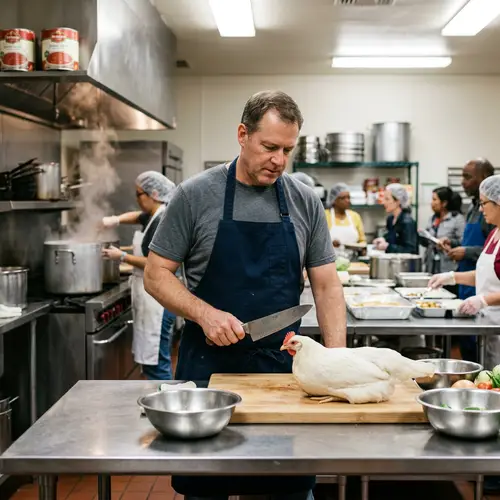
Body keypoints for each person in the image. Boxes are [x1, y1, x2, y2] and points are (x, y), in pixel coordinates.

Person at [144, 90, 346, 500]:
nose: (279, 160)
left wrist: (336, 363)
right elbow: (156, 275)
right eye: (269, 146)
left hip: (283, 373)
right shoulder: (194, 195)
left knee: (285, 488)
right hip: (209, 370)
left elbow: (326, 286)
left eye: (288, 150)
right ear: (242, 134)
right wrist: (204, 314)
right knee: (206, 488)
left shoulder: (305, 201)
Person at [101, 171, 177, 380]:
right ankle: (154, 403)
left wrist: (122, 256)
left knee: (157, 362)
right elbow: (137, 215)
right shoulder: (154, 214)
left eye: (138, 194)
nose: (137, 199)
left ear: (153, 193)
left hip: (159, 303)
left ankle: (163, 406)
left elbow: (156, 263)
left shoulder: (162, 220)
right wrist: (113, 220)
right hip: (151, 298)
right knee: (150, 361)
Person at [429, 174, 500, 369]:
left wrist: (484, 300)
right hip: (489, 325)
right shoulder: (495, 233)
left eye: (484, 203)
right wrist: (451, 277)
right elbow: (488, 276)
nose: (480, 208)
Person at [421, 187, 465, 275]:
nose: (432, 203)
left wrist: (450, 242)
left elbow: (463, 242)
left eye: (434, 200)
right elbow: (427, 239)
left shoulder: (457, 219)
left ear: (444, 203)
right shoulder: (433, 219)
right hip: (431, 267)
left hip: (449, 268)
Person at [373, 183, 418, 254]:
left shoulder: (407, 222)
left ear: (398, 201)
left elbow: (410, 250)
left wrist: (387, 247)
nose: (384, 202)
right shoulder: (390, 219)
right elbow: (392, 236)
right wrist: (383, 239)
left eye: (387, 199)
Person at [325, 182, 366, 249]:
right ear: (334, 200)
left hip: (353, 257)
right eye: (343, 198)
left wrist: (362, 249)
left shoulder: (355, 216)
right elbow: (319, 241)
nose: (347, 200)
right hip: (332, 258)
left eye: (348, 197)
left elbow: (362, 241)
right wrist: (330, 243)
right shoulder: (325, 215)